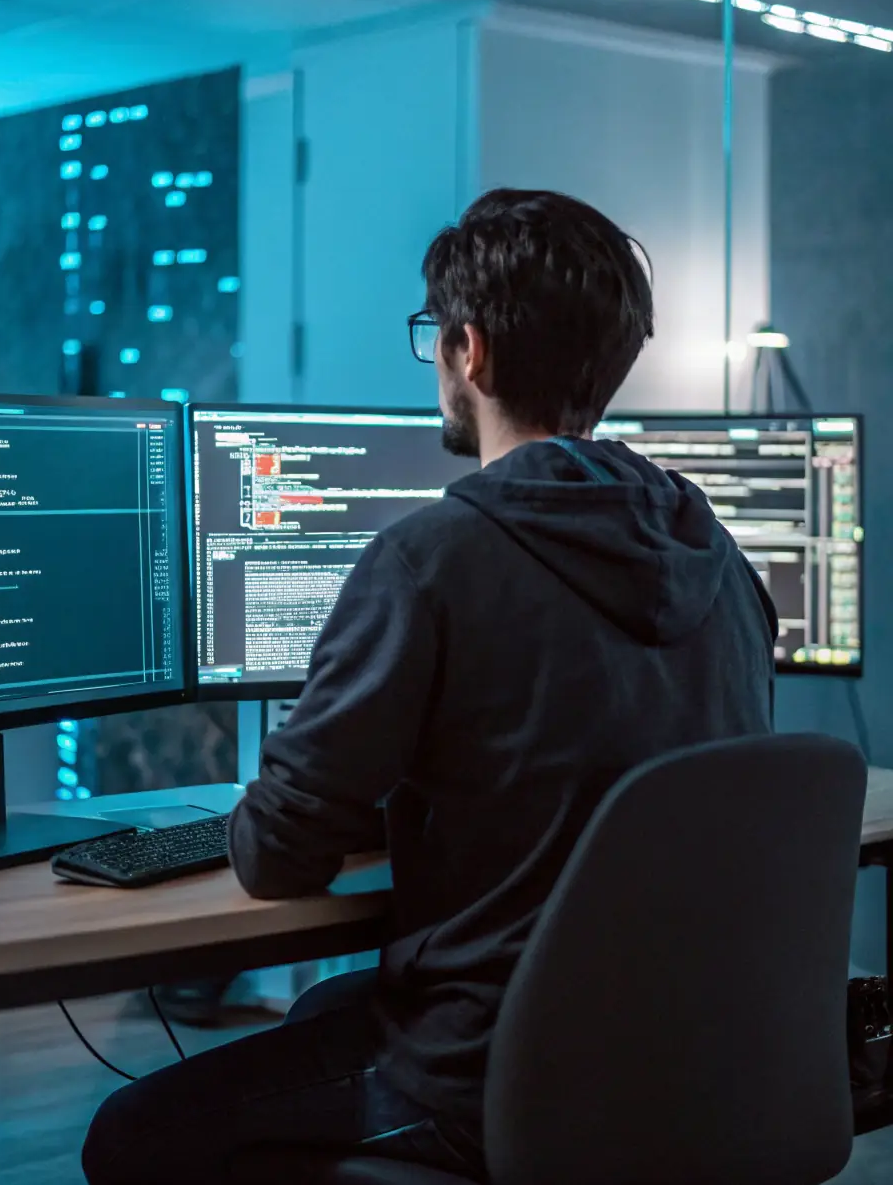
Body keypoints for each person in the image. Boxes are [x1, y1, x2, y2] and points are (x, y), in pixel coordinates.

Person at [83, 189, 777, 1184]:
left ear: (469, 352)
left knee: (132, 1133)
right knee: (332, 1009)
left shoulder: (432, 558)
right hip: (683, 1058)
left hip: (496, 1073)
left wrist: (308, 779)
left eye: (434, 342)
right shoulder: (718, 557)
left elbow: (277, 856)